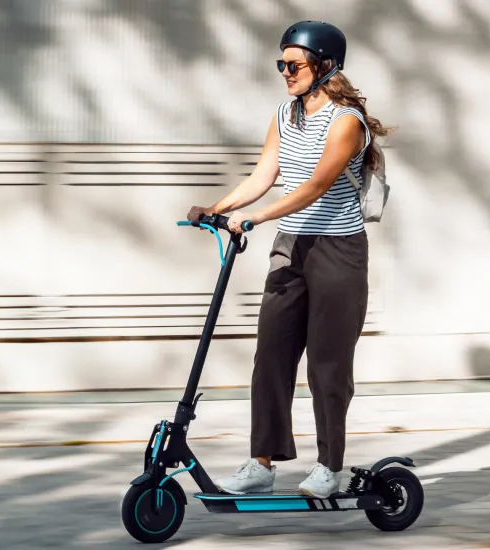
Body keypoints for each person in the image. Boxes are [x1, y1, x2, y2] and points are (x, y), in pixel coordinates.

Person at [185, 20, 391, 498]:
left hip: (338, 253)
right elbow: (264, 173)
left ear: (324, 65)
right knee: (271, 356)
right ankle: (262, 462)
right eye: (281, 63)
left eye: (292, 64)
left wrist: (256, 218)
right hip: (291, 248)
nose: (284, 71)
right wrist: (219, 208)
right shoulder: (285, 114)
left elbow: (315, 186)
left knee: (327, 364)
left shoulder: (346, 123)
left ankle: (330, 466)